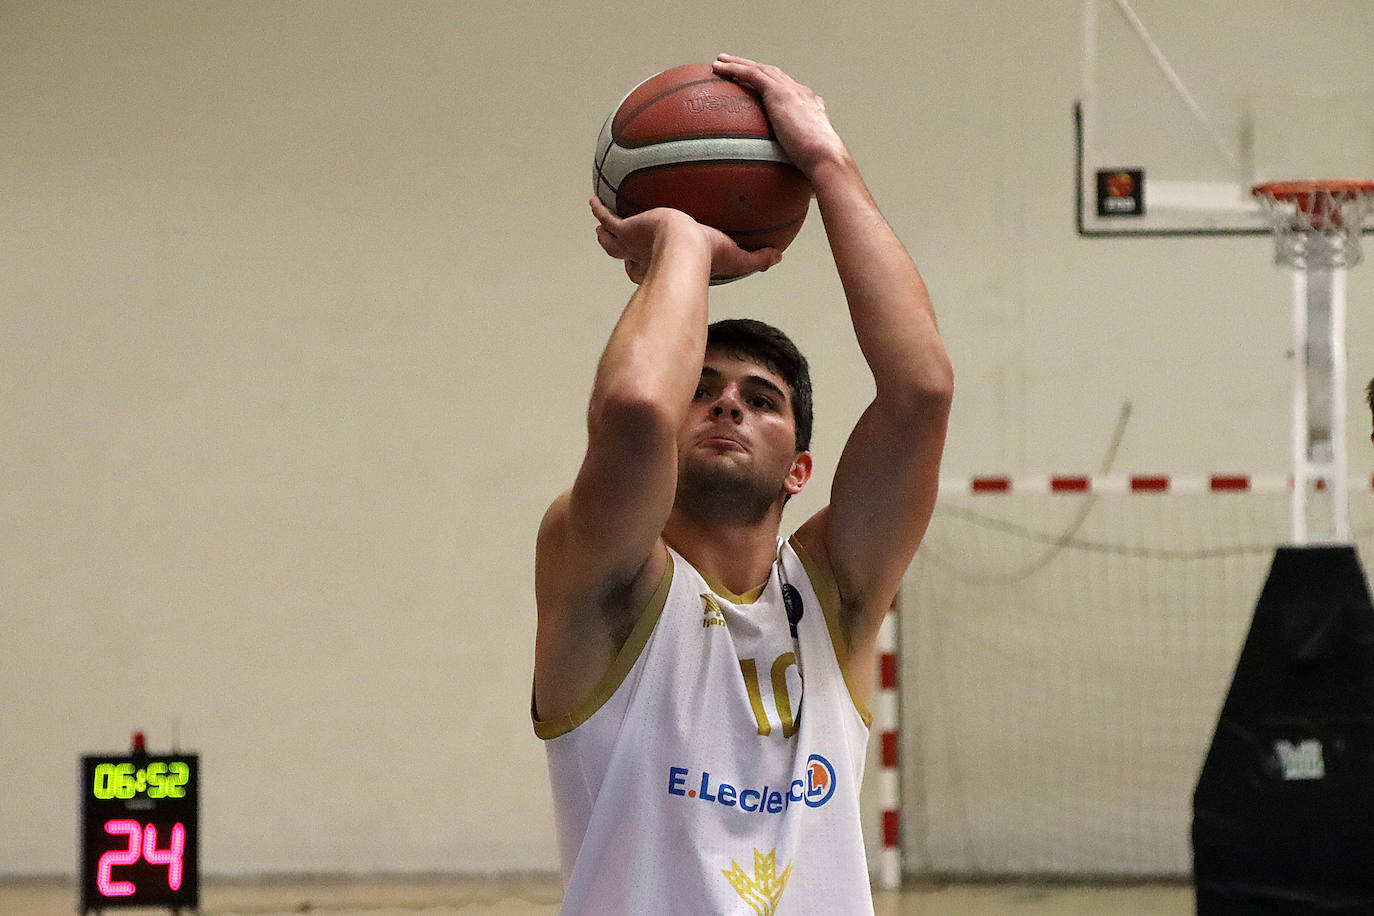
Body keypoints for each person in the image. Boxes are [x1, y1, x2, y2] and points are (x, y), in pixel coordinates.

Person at [532, 54, 953, 914]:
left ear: (802, 468)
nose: (726, 404)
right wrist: (681, 243)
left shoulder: (836, 597)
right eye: (706, 389)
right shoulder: (607, 584)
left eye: (759, 401)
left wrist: (829, 164)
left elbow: (921, 393)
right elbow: (635, 409)